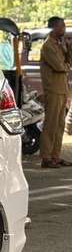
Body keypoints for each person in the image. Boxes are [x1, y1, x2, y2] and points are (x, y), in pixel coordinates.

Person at [39, 16, 72, 168]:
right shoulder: (48, 46)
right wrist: (67, 66)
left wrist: (69, 48)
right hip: (53, 90)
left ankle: (55, 156)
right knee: (51, 124)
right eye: (62, 26)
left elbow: (69, 62)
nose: (64, 29)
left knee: (60, 125)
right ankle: (46, 158)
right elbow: (59, 66)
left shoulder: (59, 45)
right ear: (53, 28)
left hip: (62, 89)